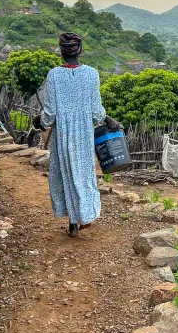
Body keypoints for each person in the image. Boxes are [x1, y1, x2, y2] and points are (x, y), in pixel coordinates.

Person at [33, 32, 121, 237]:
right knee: (84, 174)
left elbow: (50, 112)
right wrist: (108, 120)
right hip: (83, 134)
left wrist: (41, 123)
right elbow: (96, 109)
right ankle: (84, 215)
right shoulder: (92, 74)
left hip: (63, 133)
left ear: (61, 51)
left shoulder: (54, 75)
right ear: (79, 50)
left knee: (65, 175)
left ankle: (73, 221)